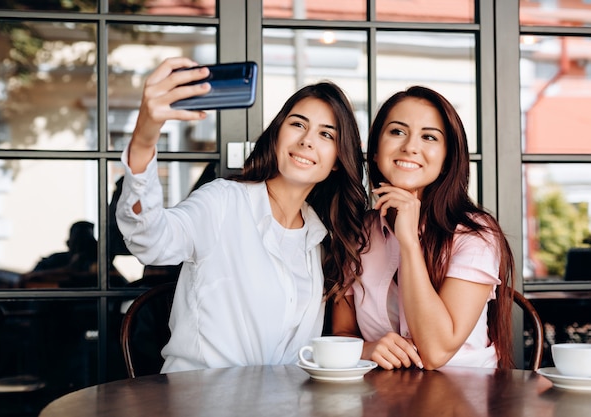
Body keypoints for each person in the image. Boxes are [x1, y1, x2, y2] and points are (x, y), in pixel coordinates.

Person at [115, 57, 367, 372]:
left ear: (337, 162)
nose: (307, 140)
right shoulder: (223, 202)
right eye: (298, 124)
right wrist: (144, 138)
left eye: (326, 135)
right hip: (201, 401)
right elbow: (150, 239)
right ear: (277, 134)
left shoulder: (318, 238)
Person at [332, 86, 515, 370]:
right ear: (377, 151)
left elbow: (436, 353)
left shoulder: (476, 234)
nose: (410, 147)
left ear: (446, 160)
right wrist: (367, 349)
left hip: (465, 397)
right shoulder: (358, 233)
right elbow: (342, 334)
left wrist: (408, 241)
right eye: (397, 132)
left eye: (429, 137)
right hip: (381, 397)